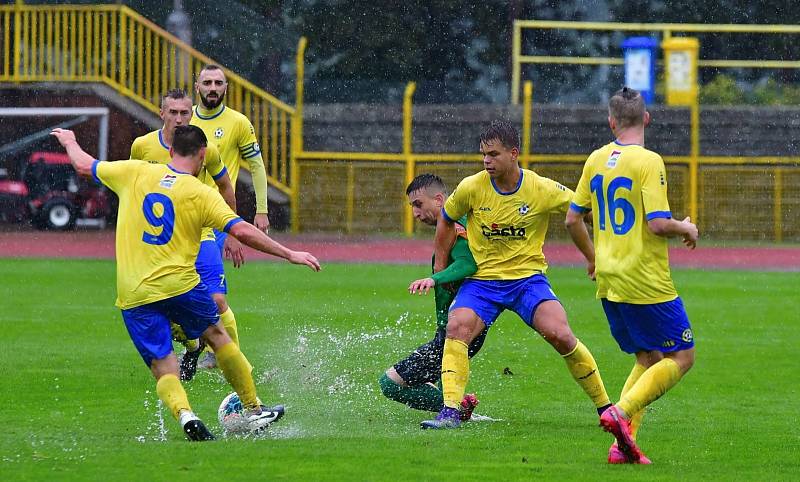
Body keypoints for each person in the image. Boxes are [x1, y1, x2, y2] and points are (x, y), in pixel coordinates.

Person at [51, 125, 321, 441]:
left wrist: (69, 140)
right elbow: (242, 231)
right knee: (218, 335)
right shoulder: (200, 193)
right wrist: (289, 253)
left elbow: (84, 165)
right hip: (180, 287)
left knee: (163, 365)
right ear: (203, 155)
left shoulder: (134, 172)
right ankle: (253, 408)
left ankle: (186, 416)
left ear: (169, 151)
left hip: (134, 292)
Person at [421, 120, 612, 430]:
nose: (486, 161)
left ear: (514, 153)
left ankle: (606, 408)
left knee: (561, 335)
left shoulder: (542, 188)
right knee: (457, 327)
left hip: (528, 281)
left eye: (493, 154)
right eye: (483, 154)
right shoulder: (471, 187)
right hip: (482, 282)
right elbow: (446, 218)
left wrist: (606, 244)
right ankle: (450, 411)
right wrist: (441, 267)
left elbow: (584, 212)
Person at [565, 87, 697, 464]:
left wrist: (592, 258)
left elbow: (573, 219)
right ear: (647, 118)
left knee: (648, 357)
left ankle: (621, 446)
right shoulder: (649, 161)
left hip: (609, 279)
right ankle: (619, 414)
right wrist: (686, 228)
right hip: (645, 280)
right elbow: (657, 225)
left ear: (611, 121)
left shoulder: (595, 158)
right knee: (683, 357)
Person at [130, 89, 245, 380]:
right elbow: (132, 190)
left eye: (184, 112)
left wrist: (233, 233)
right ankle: (192, 345)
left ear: (191, 113)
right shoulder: (143, 147)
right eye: (173, 112)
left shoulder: (207, 149)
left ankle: (232, 358)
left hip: (201, 234)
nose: (179, 118)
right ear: (162, 113)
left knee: (218, 301)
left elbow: (227, 189)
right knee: (163, 308)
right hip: (164, 242)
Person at [379, 174, 486, 419]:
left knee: (390, 383)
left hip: (459, 327)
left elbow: (468, 264)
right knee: (443, 381)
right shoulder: (449, 227)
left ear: (439, 199)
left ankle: (458, 409)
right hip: (455, 326)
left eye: (418, 204)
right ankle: (456, 407)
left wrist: (434, 279)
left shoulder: (456, 227)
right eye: (411, 207)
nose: (415, 213)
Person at [188, 64, 271, 371]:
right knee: (183, 285)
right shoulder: (185, 120)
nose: (212, 87)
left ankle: (222, 352)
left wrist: (259, 210)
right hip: (183, 217)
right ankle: (200, 343)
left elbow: (257, 166)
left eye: (218, 83)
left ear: (226, 88)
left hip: (219, 216)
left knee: (213, 293)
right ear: (197, 87)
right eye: (207, 82)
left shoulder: (237, 122)